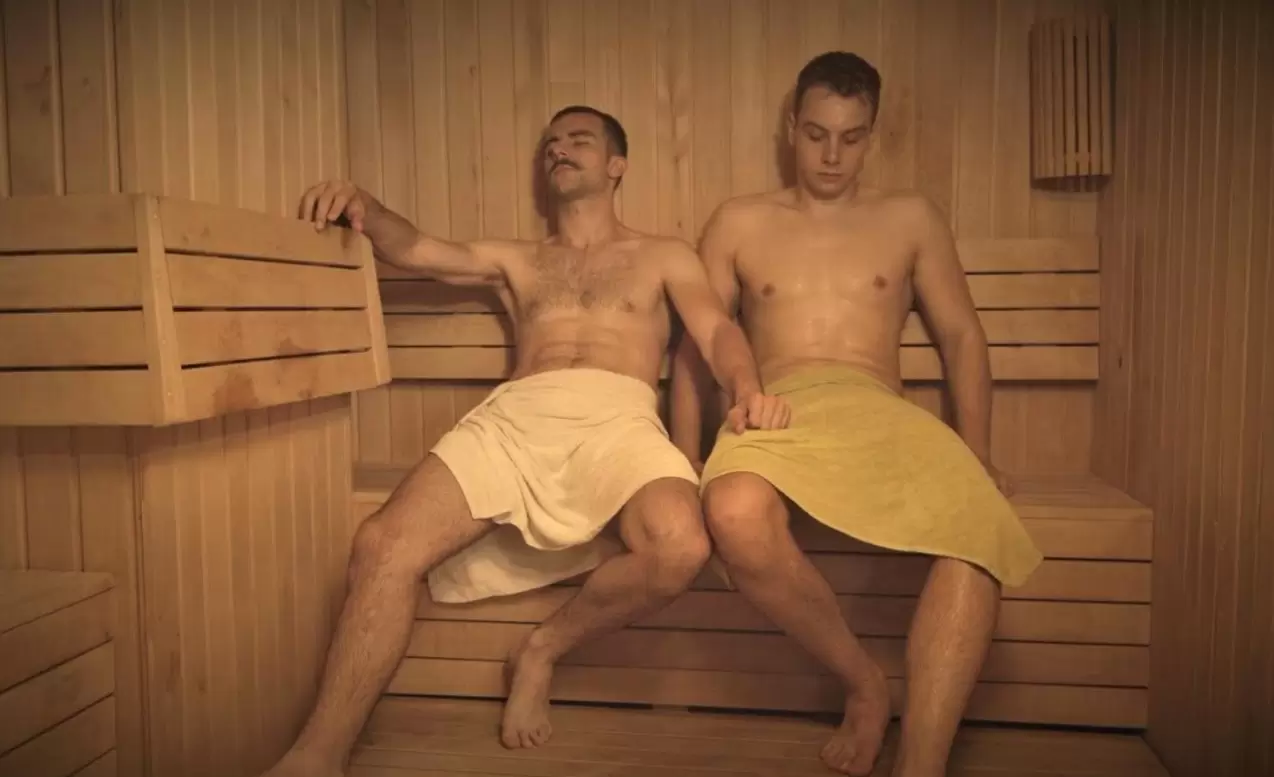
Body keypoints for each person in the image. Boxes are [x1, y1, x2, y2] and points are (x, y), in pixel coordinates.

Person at [264, 105, 789, 777]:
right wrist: (364, 204)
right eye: (551, 144)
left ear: (617, 165)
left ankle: (543, 647)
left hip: (619, 421)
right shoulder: (517, 258)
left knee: (680, 545)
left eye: (579, 140)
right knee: (381, 545)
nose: (560, 150)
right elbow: (418, 249)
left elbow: (716, 330)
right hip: (518, 416)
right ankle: (317, 754)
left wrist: (746, 388)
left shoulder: (663, 254)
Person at [669, 52, 1043, 777]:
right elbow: (697, 344)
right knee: (734, 511)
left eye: (851, 136)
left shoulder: (910, 218)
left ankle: (922, 763)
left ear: (872, 133)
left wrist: (978, 451)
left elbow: (961, 335)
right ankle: (864, 682)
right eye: (816, 135)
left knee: (977, 524)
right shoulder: (740, 221)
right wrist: (686, 454)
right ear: (791, 126)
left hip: (878, 408)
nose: (832, 155)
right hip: (777, 406)